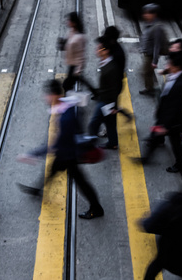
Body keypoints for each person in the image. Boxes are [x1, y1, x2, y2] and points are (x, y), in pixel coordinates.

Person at [19, 80, 104, 219]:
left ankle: (96, 208)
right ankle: (37, 189)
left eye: (47, 95)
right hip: (66, 152)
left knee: (82, 183)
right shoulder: (67, 105)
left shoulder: (66, 118)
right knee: (53, 170)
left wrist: (33, 154)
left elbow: (56, 144)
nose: (45, 98)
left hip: (68, 155)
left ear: (55, 95)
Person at [136, 51, 182, 173]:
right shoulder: (176, 73)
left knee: (176, 144)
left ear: (176, 66)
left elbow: (175, 106)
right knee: (156, 136)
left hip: (171, 119)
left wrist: (166, 126)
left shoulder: (180, 83)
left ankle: (181, 164)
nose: (167, 65)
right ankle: (147, 157)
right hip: (165, 114)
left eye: (169, 63)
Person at [142, 185, 182, 280]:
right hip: (177, 257)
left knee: (157, 263)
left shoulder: (172, 203)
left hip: (164, 246)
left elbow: (151, 225)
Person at [88, 36, 122, 150]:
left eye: (99, 49)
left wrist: (114, 106)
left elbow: (116, 88)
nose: (96, 51)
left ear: (106, 51)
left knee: (93, 123)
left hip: (106, 102)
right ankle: (113, 143)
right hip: (106, 100)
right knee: (110, 122)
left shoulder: (111, 67)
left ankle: (89, 144)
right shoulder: (105, 62)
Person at [139, 3, 168, 96]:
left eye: (147, 13)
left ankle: (150, 89)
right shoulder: (149, 23)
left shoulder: (157, 27)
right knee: (146, 72)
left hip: (150, 54)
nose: (145, 15)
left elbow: (157, 45)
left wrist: (155, 61)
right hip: (147, 52)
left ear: (154, 14)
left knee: (146, 72)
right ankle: (150, 87)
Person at [58, 12, 87, 93]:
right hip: (71, 63)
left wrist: (78, 70)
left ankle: (69, 101)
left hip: (76, 65)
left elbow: (82, 55)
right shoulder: (72, 31)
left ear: (74, 23)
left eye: (69, 20)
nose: (67, 22)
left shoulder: (80, 37)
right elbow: (67, 43)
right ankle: (94, 91)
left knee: (66, 86)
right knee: (75, 81)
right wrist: (62, 43)